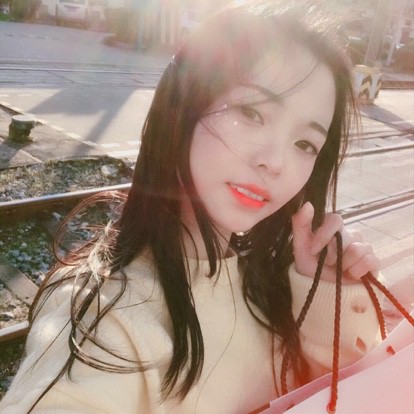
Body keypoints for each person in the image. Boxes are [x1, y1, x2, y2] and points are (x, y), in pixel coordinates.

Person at [0, 1, 383, 413]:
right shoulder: (106, 317)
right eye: (251, 112)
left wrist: (324, 291)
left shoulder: (266, 284)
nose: (276, 162)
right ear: (184, 105)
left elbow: (337, 396)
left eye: (305, 143)